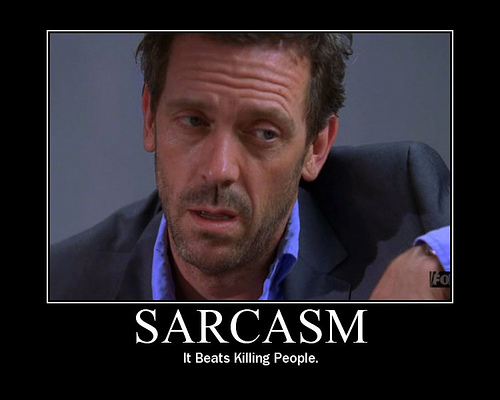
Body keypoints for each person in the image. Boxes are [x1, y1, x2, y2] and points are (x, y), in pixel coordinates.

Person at [49, 33, 450, 301]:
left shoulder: (404, 206)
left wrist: (438, 267)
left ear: (316, 147)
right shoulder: (65, 284)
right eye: (193, 121)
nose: (219, 169)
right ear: (150, 118)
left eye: (263, 133)